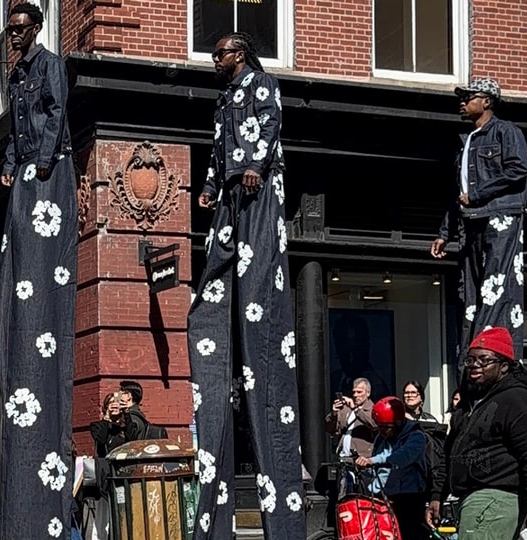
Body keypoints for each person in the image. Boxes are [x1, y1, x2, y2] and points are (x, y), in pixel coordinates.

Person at [187, 31, 304, 539]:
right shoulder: (223, 99)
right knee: (219, 280)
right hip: (231, 189)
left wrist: (256, 164)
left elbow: (271, 125)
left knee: (258, 285)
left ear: (241, 55)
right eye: (214, 55)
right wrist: (212, 186)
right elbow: (217, 147)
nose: (215, 61)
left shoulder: (262, 84)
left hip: (257, 183)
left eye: (221, 55)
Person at [0, 2, 78, 538]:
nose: (16, 36)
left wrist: (43, 163)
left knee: (43, 288)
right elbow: (16, 125)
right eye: (12, 29)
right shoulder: (15, 74)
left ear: (37, 29)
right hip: (25, 173)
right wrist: (9, 165)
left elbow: (55, 111)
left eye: (22, 28)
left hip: (47, 170)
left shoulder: (48, 65)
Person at [431, 79, 527, 364]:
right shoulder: (466, 142)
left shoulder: (506, 132)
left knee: (495, 285)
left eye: (468, 97)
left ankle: (494, 351)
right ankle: (473, 352)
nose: (462, 102)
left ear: (487, 101)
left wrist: (477, 194)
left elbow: (518, 169)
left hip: (500, 217)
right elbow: (458, 194)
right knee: (472, 292)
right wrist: (444, 233)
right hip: (470, 221)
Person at [427, 327, 527, 540]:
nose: (475, 365)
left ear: (504, 366)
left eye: (484, 360)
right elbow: (448, 454)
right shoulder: (468, 404)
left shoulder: (517, 400)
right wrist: (437, 496)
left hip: (496, 499)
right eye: (470, 360)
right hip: (468, 498)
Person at [355, 397, 429, 540]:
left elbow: (401, 457)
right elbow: (376, 466)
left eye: (386, 427)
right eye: (379, 426)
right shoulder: (381, 438)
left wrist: (372, 460)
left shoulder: (416, 436)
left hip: (408, 496)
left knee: (409, 534)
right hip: (383, 497)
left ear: (398, 422)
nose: (382, 431)